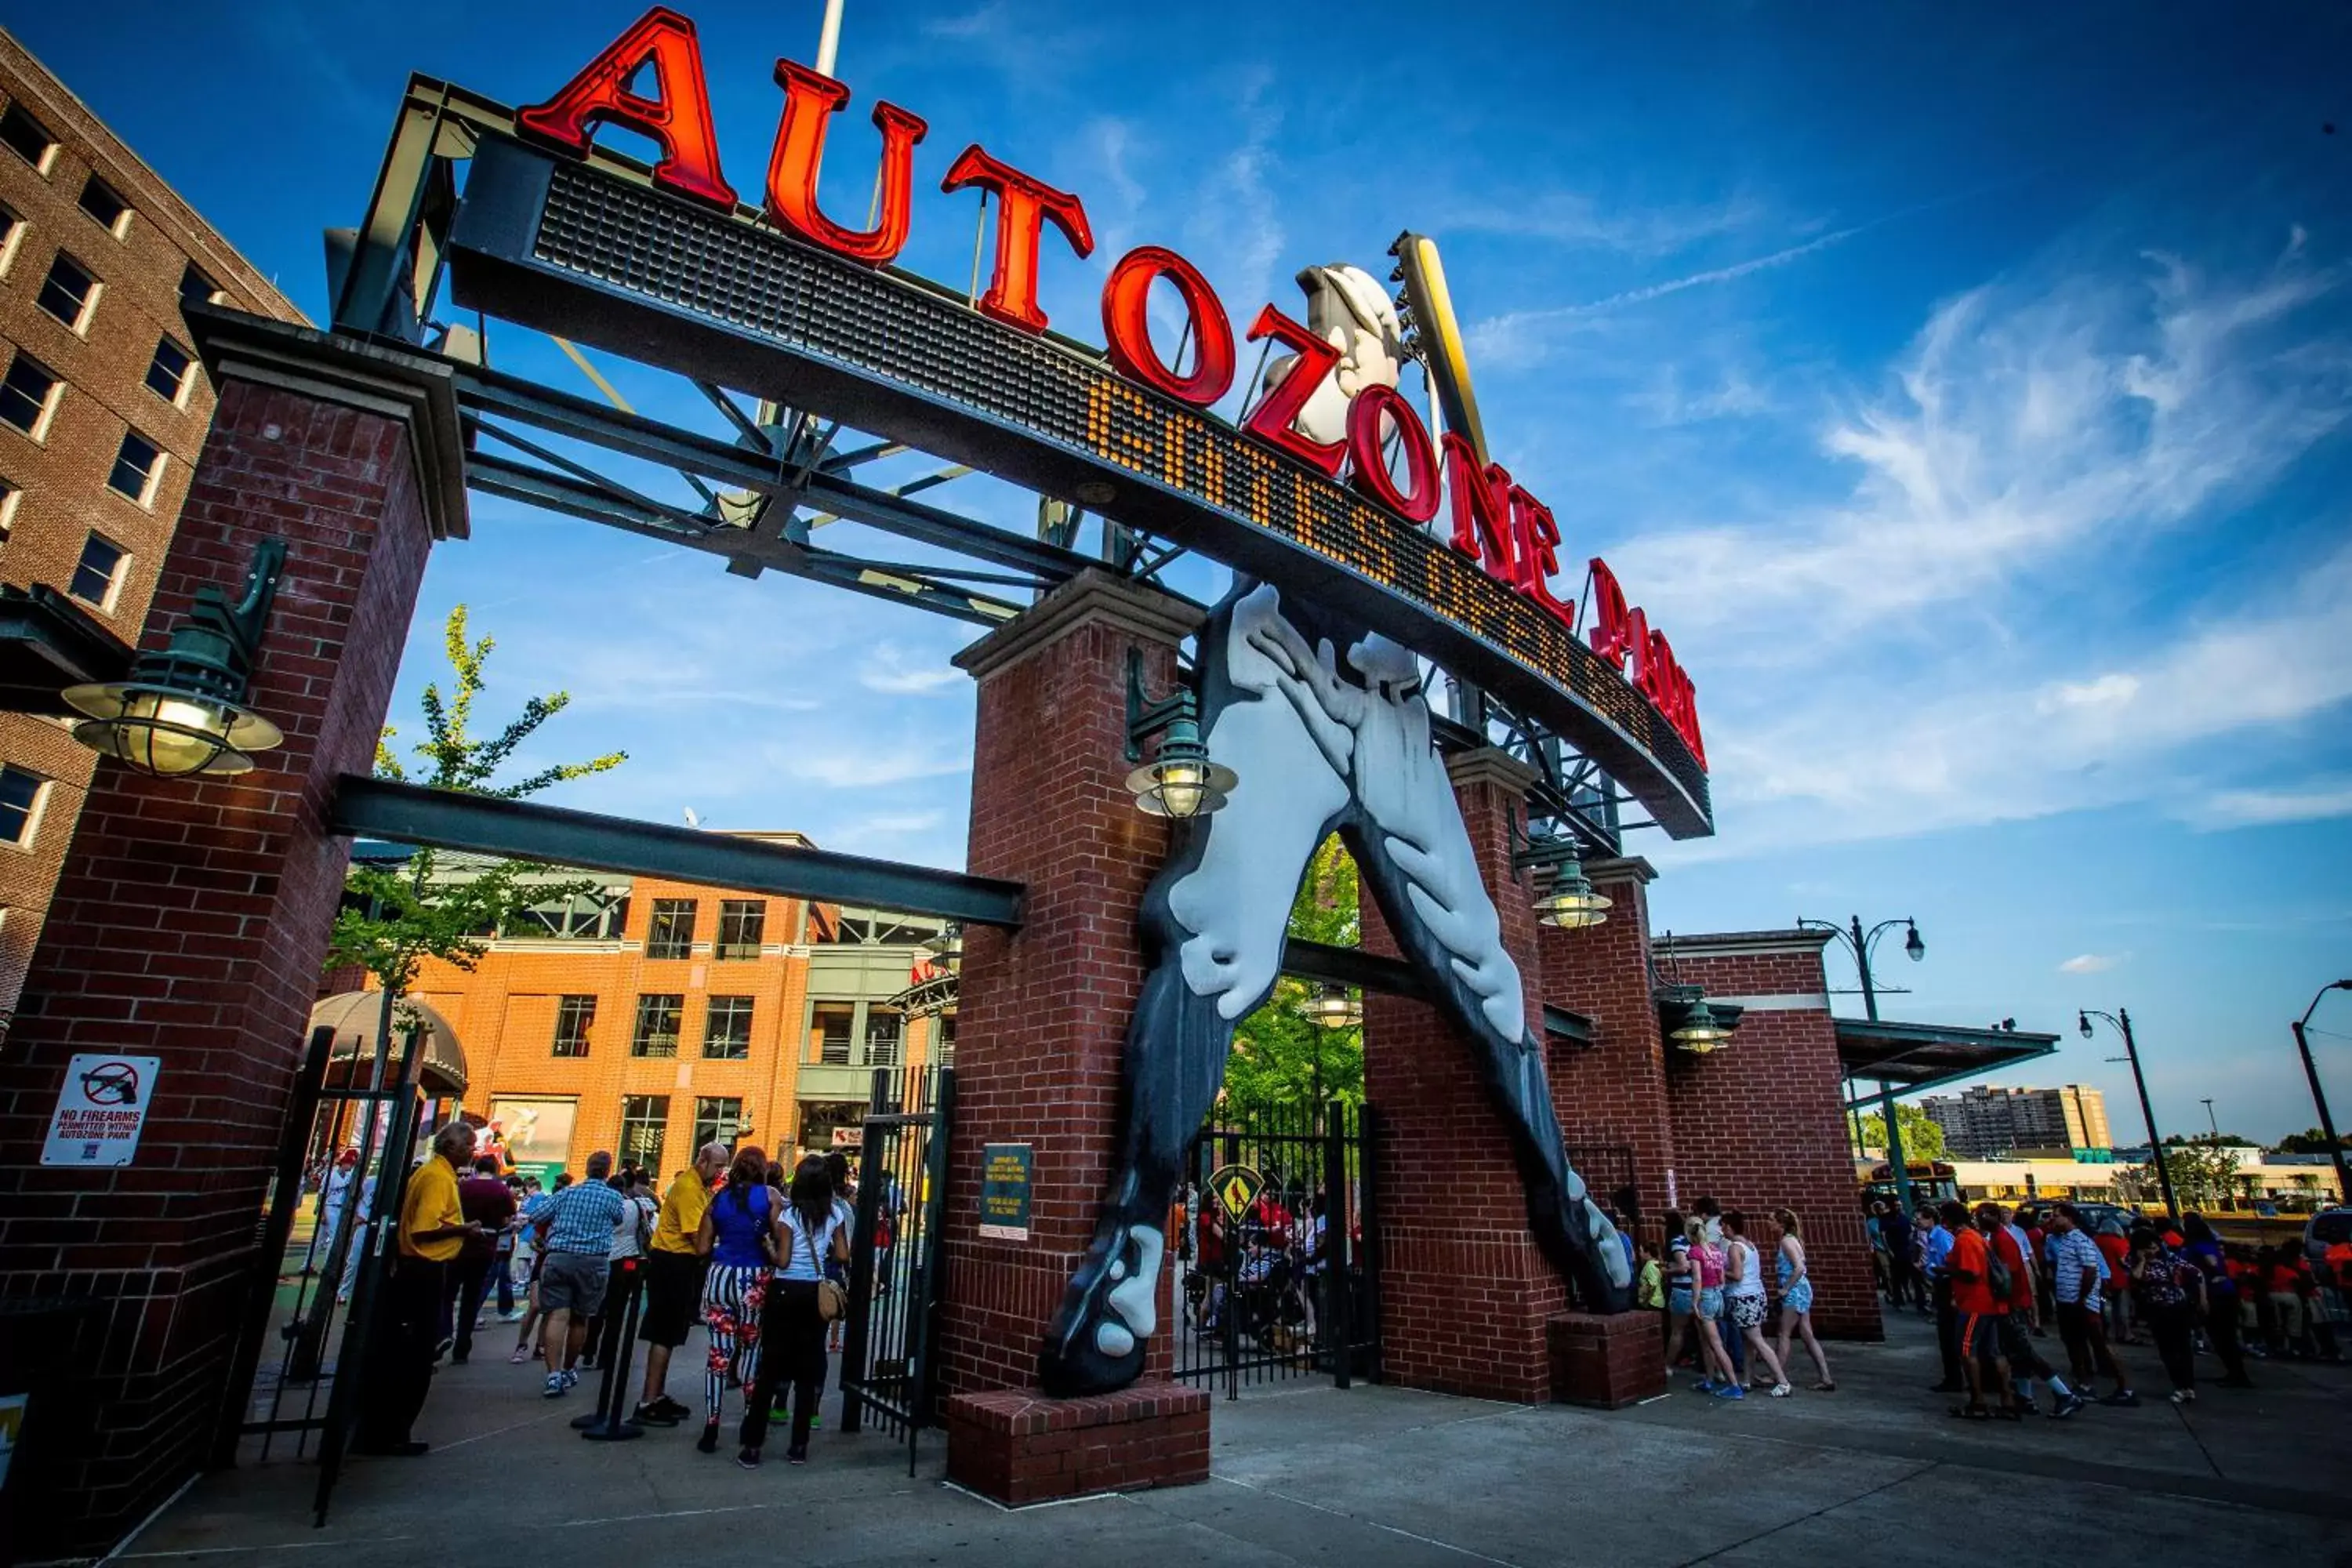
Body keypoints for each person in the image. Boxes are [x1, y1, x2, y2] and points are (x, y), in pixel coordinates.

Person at [356, 1122, 483, 1456]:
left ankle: (388, 1429)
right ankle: (392, 1432)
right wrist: (464, 1229)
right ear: (450, 1147)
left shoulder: (433, 1174)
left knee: (409, 1350)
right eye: (468, 1145)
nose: (473, 1150)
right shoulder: (437, 1178)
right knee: (413, 1355)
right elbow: (422, 1231)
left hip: (418, 1269)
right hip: (422, 1270)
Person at [739, 1155, 850, 1467]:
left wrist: (770, 1247)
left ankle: (752, 1445)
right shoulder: (834, 1215)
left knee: (771, 1367)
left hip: (785, 1290)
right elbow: (842, 1253)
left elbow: (784, 1261)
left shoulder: (789, 1217)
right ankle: (799, 1445)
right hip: (814, 1293)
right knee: (807, 1369)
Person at [635, 1142, 725, 1427]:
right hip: (672, 1263)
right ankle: (648, 1401)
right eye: (718, 1166)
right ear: (703, 1160)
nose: (721, 1172)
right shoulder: (689, 1188)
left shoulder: (697, 1186)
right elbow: (696, 1238)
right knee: (664, 1332)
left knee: (670, 1333)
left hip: (675, 1263)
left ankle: (656, 1395)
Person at [696, 1145, 776, 1452]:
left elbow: (702, 1247)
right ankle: (749, 1422)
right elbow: (779, 1237)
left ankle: (711, 1425)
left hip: (720, 1275)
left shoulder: (718, 1199)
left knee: (718, 1355)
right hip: (753, 1277)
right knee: (753, 1351)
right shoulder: (769, 1197)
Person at [532, 1152, 626, 1398]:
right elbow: (618, 1220)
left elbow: (538, 1215)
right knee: (580, 1319)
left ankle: (552, 1375)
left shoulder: (567, 1193)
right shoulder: (613, 1197)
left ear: (587, 1168)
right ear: (607, 1171)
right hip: (593, 1261)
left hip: (559, 1257)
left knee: (557, 1315)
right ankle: (567, 1369)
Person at [1983, 1203, 2083, 1418]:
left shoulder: (2001, 1239)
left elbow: (2006, 1277)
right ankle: (2026, 1397)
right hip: (2015, 1302)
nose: (1977, 1220)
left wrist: (2004, 1300)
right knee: (2018, 1353)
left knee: (2025, 1352)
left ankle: (2064, 1394)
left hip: (2011, 1305)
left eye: (1981, 1216)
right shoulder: (2003, 1237)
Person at [2047, 1202, 2136, 1404]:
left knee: (2099, 1344)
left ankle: (2124, 1387)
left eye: (2057, 1215)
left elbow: (2091, 1270)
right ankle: (2084, 1383)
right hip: (2068, 1302)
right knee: (2075, 1343)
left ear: (2069, 1218)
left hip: (2082, 1303)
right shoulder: (2066, 1240)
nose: (2053, 1219)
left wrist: (2082, 1297)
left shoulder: (2081, 1240)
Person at [445, 1152, 517, 1364]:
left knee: (448, 1293)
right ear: (495, 1170)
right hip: (486, 1246)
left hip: (460, 1244)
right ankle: (462, 1347)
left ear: (476, 1167)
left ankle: (445, 1332)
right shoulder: (501, 1190)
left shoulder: (463, 1187)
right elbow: (507, 1218)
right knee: (472, 1296)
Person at [1943, 1200, 2011, 1419]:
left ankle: (1978, 1401)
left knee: (1966, 1351)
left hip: (1974, 1303)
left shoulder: (1964, 1240)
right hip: (1990, 1302)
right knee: (1993, 1352)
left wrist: (1948, 1271)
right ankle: (2007, 1400)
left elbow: (1970, 1273)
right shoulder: (1977, 1237)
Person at [585, 1167, 657, 1374]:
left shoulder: (602, 1205)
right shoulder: (636, 1205)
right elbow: (647, 1225)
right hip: (628, 1259)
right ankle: (607, 1355)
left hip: (604, 1256)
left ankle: (589, 1350)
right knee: (618, 1310)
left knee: (598, 1308)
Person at [2129, 1222, 2203, 1404]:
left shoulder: (2169, 1259)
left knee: (2183, 1348)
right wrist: (2142, 1260)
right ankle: (2179, 1385)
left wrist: (2203, 1298)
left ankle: (2188, 1386)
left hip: (2177, 1306)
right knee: (2167, 1350)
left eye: (2155, 1247)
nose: (2153, 1251)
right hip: (2156, 1309)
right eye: (2148, 1249)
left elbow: (2196, 1272)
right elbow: (2135, 1277)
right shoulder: (2134, 1261)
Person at [1720, 1212, 1791, 1397]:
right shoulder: (1750, 1245)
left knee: (1757, 1340)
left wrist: (1720, 1270)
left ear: (1729, 1227)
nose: (1721, 1230)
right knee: (1749, 1342)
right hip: (1757, 1295)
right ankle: (1747, 1378)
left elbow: (1737, 1275)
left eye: (1723, 1226)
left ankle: (1782, 1381)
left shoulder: (1734, 1248)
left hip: (1743, 1296)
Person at [2179, 1214, 2250, 1387]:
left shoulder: (2198, 1246)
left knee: (2222, 1336)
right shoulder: (2208, 1243)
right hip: (2222, 1293)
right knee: (2224, 1336)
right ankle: (2235, 1372)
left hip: (2215, 1294)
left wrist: (2215, 1274)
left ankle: (2237, 1374)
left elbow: (2209, 1263)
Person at [1771, 1209, 1833, 1392]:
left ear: (1780, 1224)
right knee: (1807, 1334)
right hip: (1803, 1290)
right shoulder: (1793, 1240)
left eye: (1771, 1220)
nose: (1769, 1223)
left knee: (1784, 1333)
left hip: (1795, 1291)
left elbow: (1799, 1268)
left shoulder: (1786, 1242)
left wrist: (1785, 1288)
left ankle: (1776, 1375)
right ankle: (1825, 1377)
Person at [1686, 1218, 1740, 1396]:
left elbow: (1697, 1278)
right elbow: (1722, 1276)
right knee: (1706, 1341)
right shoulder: (1715, 1250)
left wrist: (1695, 1301)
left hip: (1706, 1296)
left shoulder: (1695, 1252)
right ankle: (1708, 1380)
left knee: (1715, 1344)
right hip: (1718, 1295)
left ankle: (1734, 1385)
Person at [1921, 1205, 1961, 1393]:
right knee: (1946, 1335)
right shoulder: (1933, 1237)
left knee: (1949, 1335)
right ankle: (1952, 1376)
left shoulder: (1942, 1237)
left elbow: (1953, 1264)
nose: (1918, 1222)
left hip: (1946, 1286)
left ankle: (1954, 1378)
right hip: (1941, 1285)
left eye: (1921, 1218)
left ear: (1931, 1219)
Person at [1661, 1208, 1695, 1365]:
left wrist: (1666, 1271)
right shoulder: (1691, 1240)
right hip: (1697, 1288)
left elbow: (1684, 1267)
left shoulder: (1676, 1241)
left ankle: (1667, 1365)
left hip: (1682, 1289)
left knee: (1677, 1331)